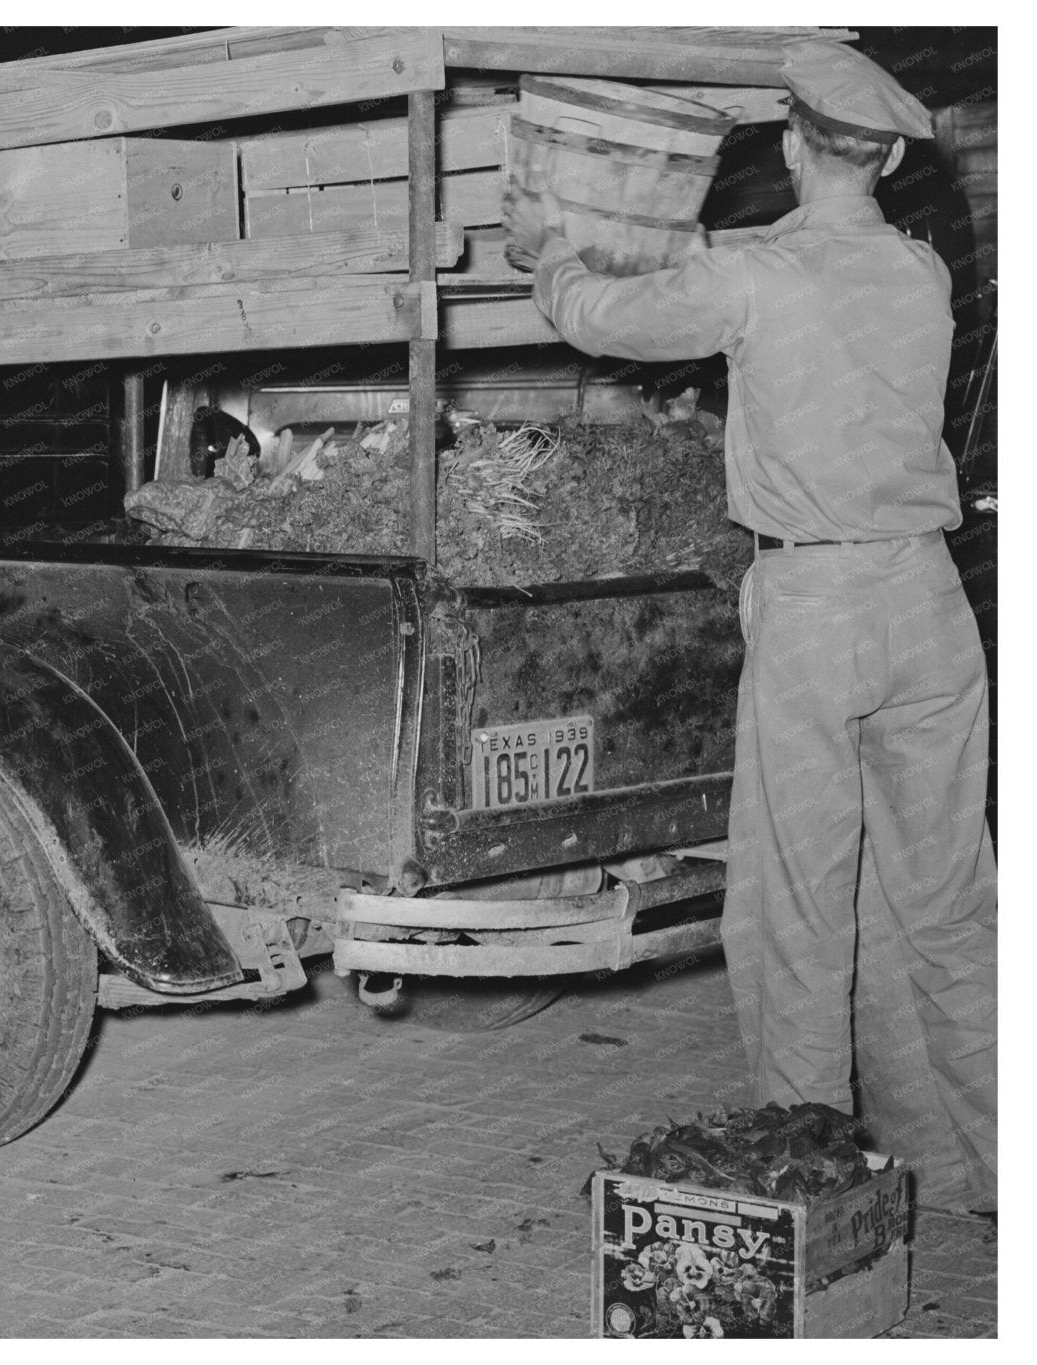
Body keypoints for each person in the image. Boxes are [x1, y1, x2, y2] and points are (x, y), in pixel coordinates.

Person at [502, 40, 996, 1216]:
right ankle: (993, 1164)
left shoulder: (755, 278)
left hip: (817, 611)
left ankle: (808, 1186)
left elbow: (601, 319)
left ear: (787, 142)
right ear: (885, 159)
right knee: (949, 907)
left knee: (794, 911)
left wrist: (547, 248)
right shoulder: (917, 274)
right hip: (929, 605)